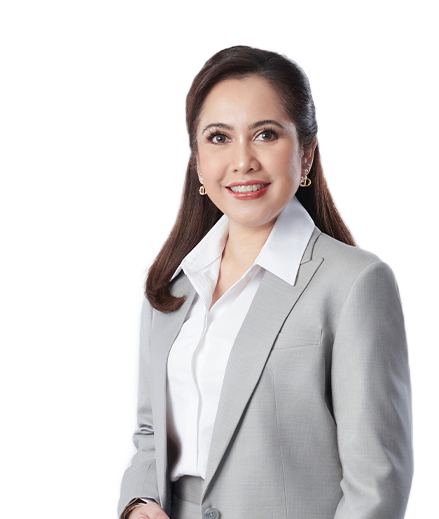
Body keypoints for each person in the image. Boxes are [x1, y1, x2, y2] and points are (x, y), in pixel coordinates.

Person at [117, 45, 413, 519]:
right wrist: (138, 503)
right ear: (197, 161)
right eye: (218, 137)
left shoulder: (355, 284)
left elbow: (376, 486)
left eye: (266, 134)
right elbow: (149, 433)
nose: (242, 161)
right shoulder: (171, 281)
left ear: (307, 153)